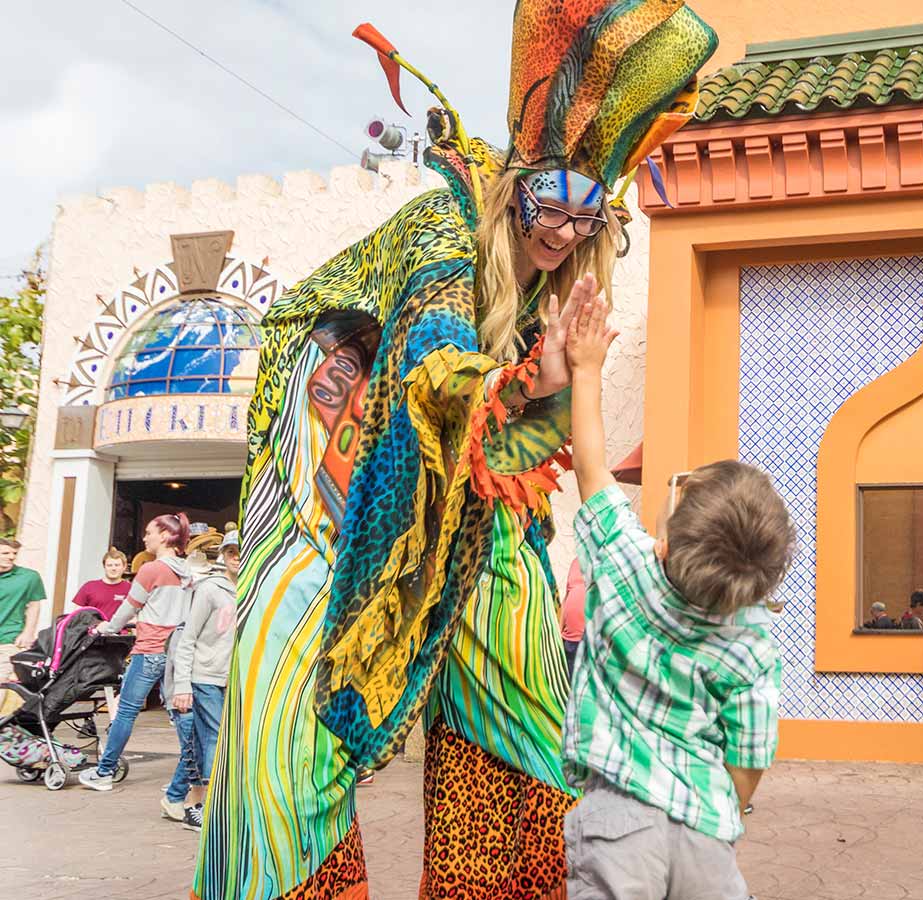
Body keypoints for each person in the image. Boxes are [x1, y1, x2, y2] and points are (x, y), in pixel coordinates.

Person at [192, 5, 718, 898]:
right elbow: (435, 357)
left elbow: (521, 449)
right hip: (330, 473)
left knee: (524, 684)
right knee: (282, 729)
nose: (562, 230)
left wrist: (551, 383)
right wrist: (521, 382)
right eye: (550, 201)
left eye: (588, 217)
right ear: (515, 185)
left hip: (457, 488)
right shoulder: (443, 225)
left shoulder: (553, 293)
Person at [562, 298, 794, 899]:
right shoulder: (751, 640)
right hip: (705, 831)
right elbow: (750, 754)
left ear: (665, 544)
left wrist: (586, 368)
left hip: (615, 821)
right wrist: (724, 806)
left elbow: (591, 468)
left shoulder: (624, 566)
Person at [78, 513, 193, 791]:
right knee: (181, 715)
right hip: (177, 651)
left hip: (150, 650)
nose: (144, 538)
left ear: (164, 536)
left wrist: (106, 627)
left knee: (125, 711)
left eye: (149, 533)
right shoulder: (188, 571)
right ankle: (195, 770)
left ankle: (104, 772)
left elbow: (126, 611)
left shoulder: (151, 570)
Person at [172, 529, 239, 832]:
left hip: (233, 679)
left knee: (210, 740)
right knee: (213, 738)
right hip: (205, 676)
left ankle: (189, 802)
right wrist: (182, 684)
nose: (237, 558)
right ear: (223, 556)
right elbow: (188, 638)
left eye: (241, 551)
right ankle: (204, 807)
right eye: (231, 552)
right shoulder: (210, 589)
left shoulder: (253, 588)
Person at [0, 538, 46, 718]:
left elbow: (34, 605)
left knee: (1, 682)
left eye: (14, 554)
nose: (11, 557)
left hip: (9, 638)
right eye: (6, 553)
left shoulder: (29, 577)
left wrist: (28, 632)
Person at [70, 548, 130, 619]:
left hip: (121, 629)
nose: (113, 568)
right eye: (109, 565)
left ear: (124, 567)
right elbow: (76, 615)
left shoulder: (130, 589)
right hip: (93, 629)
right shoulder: (89, 587)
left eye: (117, 565)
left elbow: (136, 614)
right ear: (104, 567)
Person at [561, 558, 585, 676]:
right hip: (568, 638)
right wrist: (558, 632)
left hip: (587, 641)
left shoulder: (604, 561)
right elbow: (567, 596)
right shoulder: (576, 562)